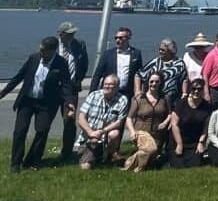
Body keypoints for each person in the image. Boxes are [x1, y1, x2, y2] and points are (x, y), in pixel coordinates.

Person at [1, 35, 75, 173]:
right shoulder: (34, 58)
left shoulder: (60, 63)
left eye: (43, 50)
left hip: (46, 104)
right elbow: (18, 77)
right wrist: (3, 93)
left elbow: (66, 85)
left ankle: (33, 160)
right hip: (27, 101)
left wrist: (69, 102)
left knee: (42, 131)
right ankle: (15, 164)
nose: (40, 53)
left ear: (52, 51)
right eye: (40, 49)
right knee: (19, 131)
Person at [76, 74, 129, 170]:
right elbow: (81, 117)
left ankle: (109, 155)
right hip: (89, 138)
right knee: (85, 168)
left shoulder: (122, 100)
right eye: (105, 84)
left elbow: (119, 122)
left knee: (115, 134)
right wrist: (91, 133)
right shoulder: (93, 95)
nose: (107, 86)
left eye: (110, 84)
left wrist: (101, 131)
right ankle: (95, 156)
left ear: (117, 87)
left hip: (105, 137)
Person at [124, 69, 171, 170]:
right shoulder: (139, 98)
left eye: (157, 82)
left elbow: (170, 114)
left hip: (158, 133)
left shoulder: (165, 98)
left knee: (151, 155)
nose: (154, 84)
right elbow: (129, 118)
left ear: (161, 83)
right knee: (151, 149)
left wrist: (165, 122)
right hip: (141, 132)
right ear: (147, 82)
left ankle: (134, 161)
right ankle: (133, 168)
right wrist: (132, 132)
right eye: (151, 81)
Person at [56, 21, 89, 163]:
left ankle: (67, 152)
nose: (72, 36)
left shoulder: (79, 44)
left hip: (72, 89)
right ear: (61, 34)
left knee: (69, 120)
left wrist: (77, 80)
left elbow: (85, 64)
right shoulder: (53, 44)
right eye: (69, 34)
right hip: (54, 89)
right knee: (45, 121)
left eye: (73, 33)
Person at [169, 77, 212, 168]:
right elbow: (174, 124)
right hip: (178, 140)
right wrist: (179, 144)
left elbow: (206, 127)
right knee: (178, 165)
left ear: (203, 90)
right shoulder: (181, 103)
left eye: (199, 89)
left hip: (194, 142)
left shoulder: (207, 107)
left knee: (194, 164)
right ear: (190, 89)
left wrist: (201, 143)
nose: (196, 91)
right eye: (194, 89)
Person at [91, 26, 143, 100]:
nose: (118, 40)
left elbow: (139, 73)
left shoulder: (136, 54)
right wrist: (92, 93)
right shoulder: (108, 54)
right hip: (109, 91)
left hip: (127, 93)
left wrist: (138, 90)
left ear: (128, 38)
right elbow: (97, 74)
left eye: (121, 38)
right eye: (116, 38)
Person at [136, 38, 186, 107]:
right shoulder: (155, 62)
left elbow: (184, 79)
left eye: (163, 50)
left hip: (174, 99)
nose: (160, 51)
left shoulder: (180, 63)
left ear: (170, 51)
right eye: (159, 49)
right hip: (156, 99)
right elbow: (138, 74)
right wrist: (138, 90)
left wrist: (184, 93)